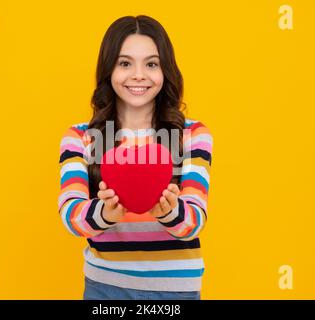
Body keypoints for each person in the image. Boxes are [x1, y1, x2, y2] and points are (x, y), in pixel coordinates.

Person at [58, 15, 213, 300]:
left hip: (175, 291)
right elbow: (71, 216)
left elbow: (194, 221)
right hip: (103, 287)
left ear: (165, 71)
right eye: (125, 63)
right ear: (108, 70)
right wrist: (106, 214)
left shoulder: (192, 134)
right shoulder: (81, 138)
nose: (139, 75)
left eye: (151, 64)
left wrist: (165, 210)